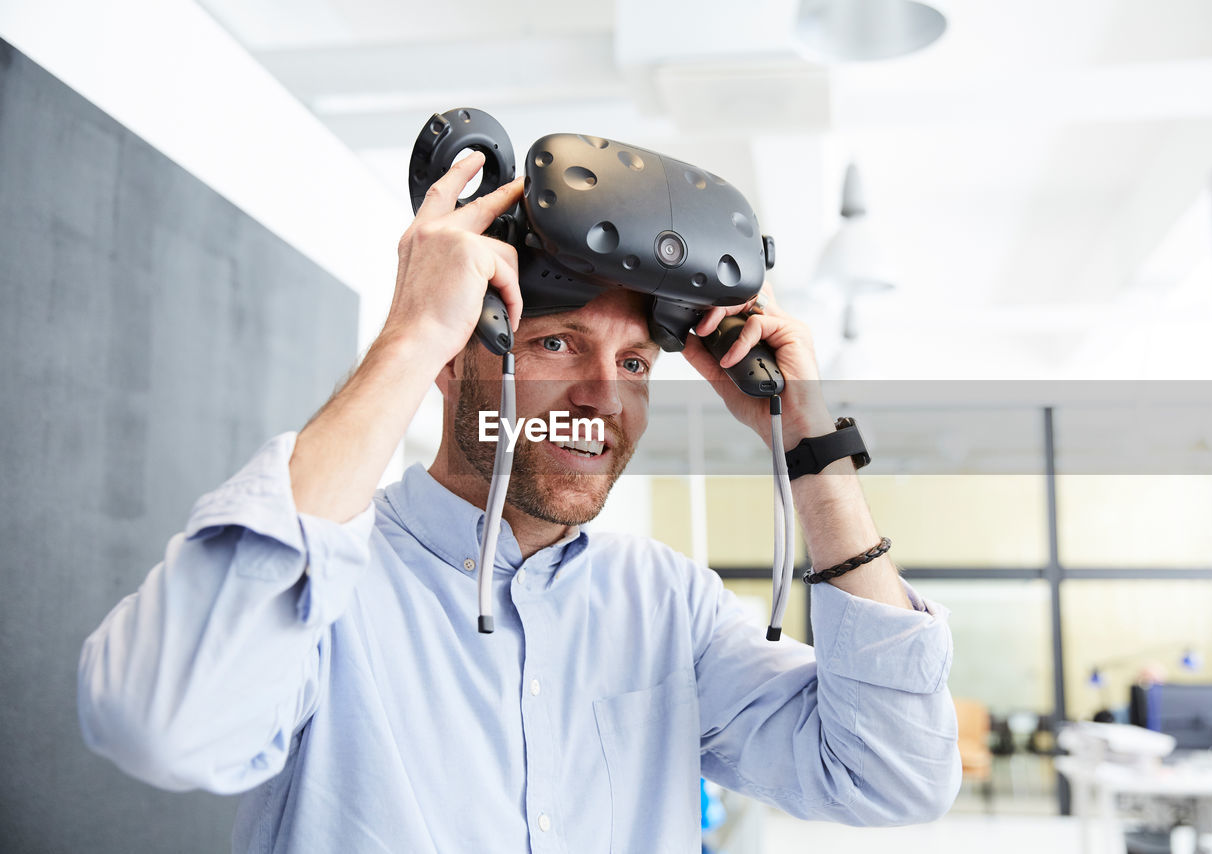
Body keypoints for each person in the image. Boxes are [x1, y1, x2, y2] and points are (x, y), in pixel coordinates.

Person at [78, 151, 961, 852]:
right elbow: (164, 723)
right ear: (459, 358)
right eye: (556, 343)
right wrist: (414, 329)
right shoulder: (334, 589)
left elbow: (893, 775)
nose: (603, 399)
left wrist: (810, 446)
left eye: (632, 365)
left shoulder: (669, 606)